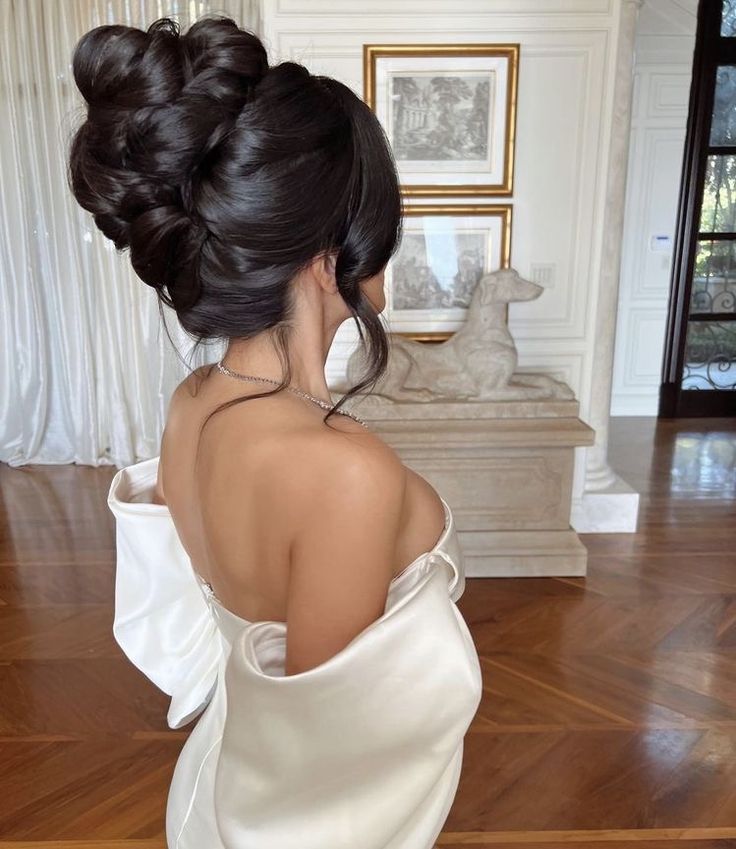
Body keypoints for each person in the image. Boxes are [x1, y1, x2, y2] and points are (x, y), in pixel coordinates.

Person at [68, 15, 482, 849]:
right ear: (331, 251)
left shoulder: (194, 402)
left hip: (221, 781)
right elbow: (324, 761)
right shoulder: (342, 471)